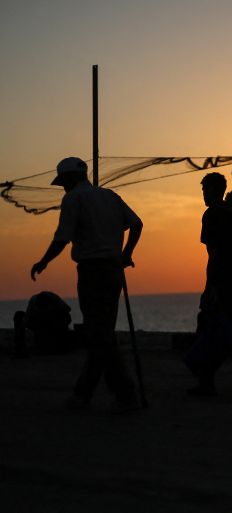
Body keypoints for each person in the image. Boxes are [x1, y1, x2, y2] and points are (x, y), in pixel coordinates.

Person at [30, 157, 142, 413]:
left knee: (99, 335)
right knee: (102, 335)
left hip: (93, 272)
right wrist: (126, 254)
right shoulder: (110, 196)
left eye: (63, 183)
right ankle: (91, 394)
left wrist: (43, 261)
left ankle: (118, 394)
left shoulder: (73, 199)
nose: (63, 188)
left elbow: (63, 237)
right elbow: (136, 224)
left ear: (68, 179)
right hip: (114, 271)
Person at [185, 173, 232, 396]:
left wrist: (212, 286)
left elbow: (215, 253)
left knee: (209, 326)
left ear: (214, 190)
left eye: (205, 190)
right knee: (227, 328)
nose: (203, 194)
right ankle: (206, 381)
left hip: (220, 282)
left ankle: (205, 381)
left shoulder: (212, 214)